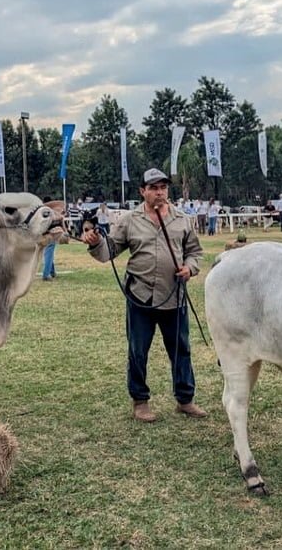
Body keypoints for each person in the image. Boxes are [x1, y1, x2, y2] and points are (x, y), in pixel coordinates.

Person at [83, 168, 206, 423]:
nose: (159, 192)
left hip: (174, 296)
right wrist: (96, 242)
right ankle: (140, 401)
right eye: (153, 188)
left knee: (181, 350)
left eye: (163, 187)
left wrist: (190, 268)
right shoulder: (129, 220)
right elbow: (110, 251)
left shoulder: (182, 219)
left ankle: (185, 399)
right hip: (140, 296)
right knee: (138, 351)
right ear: (142, 191)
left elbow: (195, 251)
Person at [41, 197, 59, 281]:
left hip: (44, 235)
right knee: (48, 254)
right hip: (51, 234)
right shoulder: (51, 212)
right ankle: (46, 274)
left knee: (49, 254)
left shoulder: (42, 211)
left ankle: (52, 272)